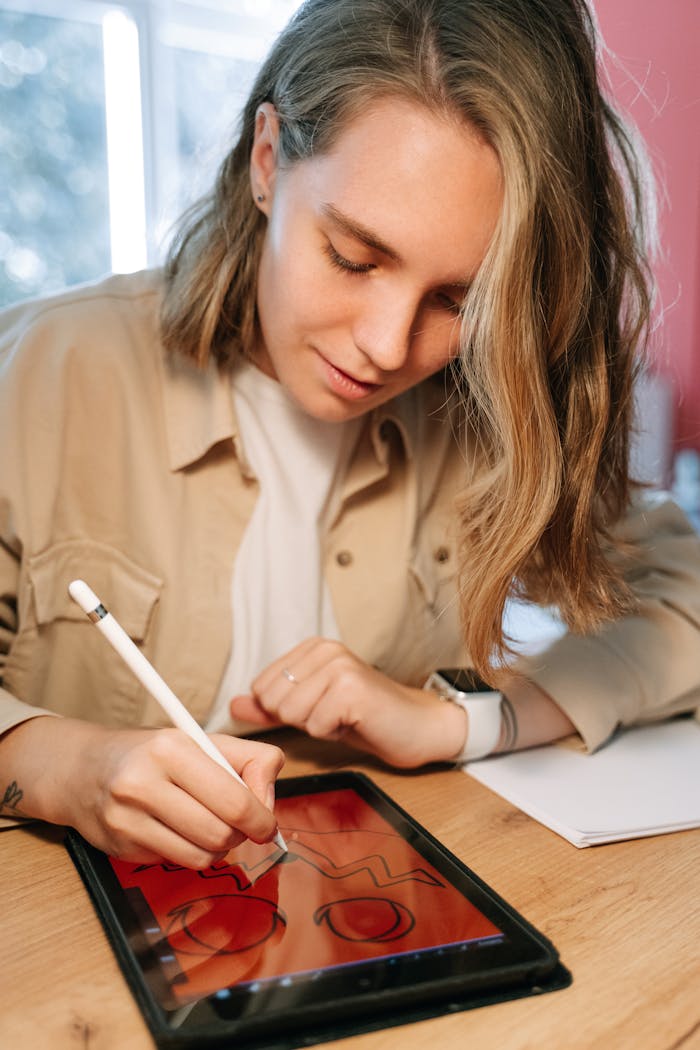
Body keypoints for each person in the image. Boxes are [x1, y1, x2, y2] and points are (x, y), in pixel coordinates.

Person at [1, 0, 699, 869]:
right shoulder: (40, 372)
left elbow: (684, 591)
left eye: (457, 300)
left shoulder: (481, 408)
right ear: (267, 161)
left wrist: (464, 720)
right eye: (354, 258)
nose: (386, 345)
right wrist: (63, 763)